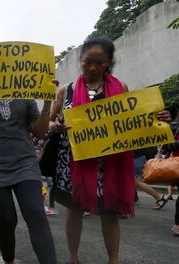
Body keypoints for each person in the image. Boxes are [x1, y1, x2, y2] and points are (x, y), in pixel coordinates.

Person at [48, 36, 171, 264]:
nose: (93, 67)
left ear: (109, 63)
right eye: (87, 62)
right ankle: (73, 258)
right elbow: (49, 121)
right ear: (80, 61)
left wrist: (159, 117)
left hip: (110, 164)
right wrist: (54, 126)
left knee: (109, 212)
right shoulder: (66, 91)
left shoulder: (120, 88)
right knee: (74, 211)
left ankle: (113, 260)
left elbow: (135, 120)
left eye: (100, 62)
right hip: (74, 162)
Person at [0, 60, 57, 264]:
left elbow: (40, 131)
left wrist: (47, 100)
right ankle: (8, 260)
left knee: (36, 215)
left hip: (24, 163)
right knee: (7, 219)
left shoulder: (25, 94)